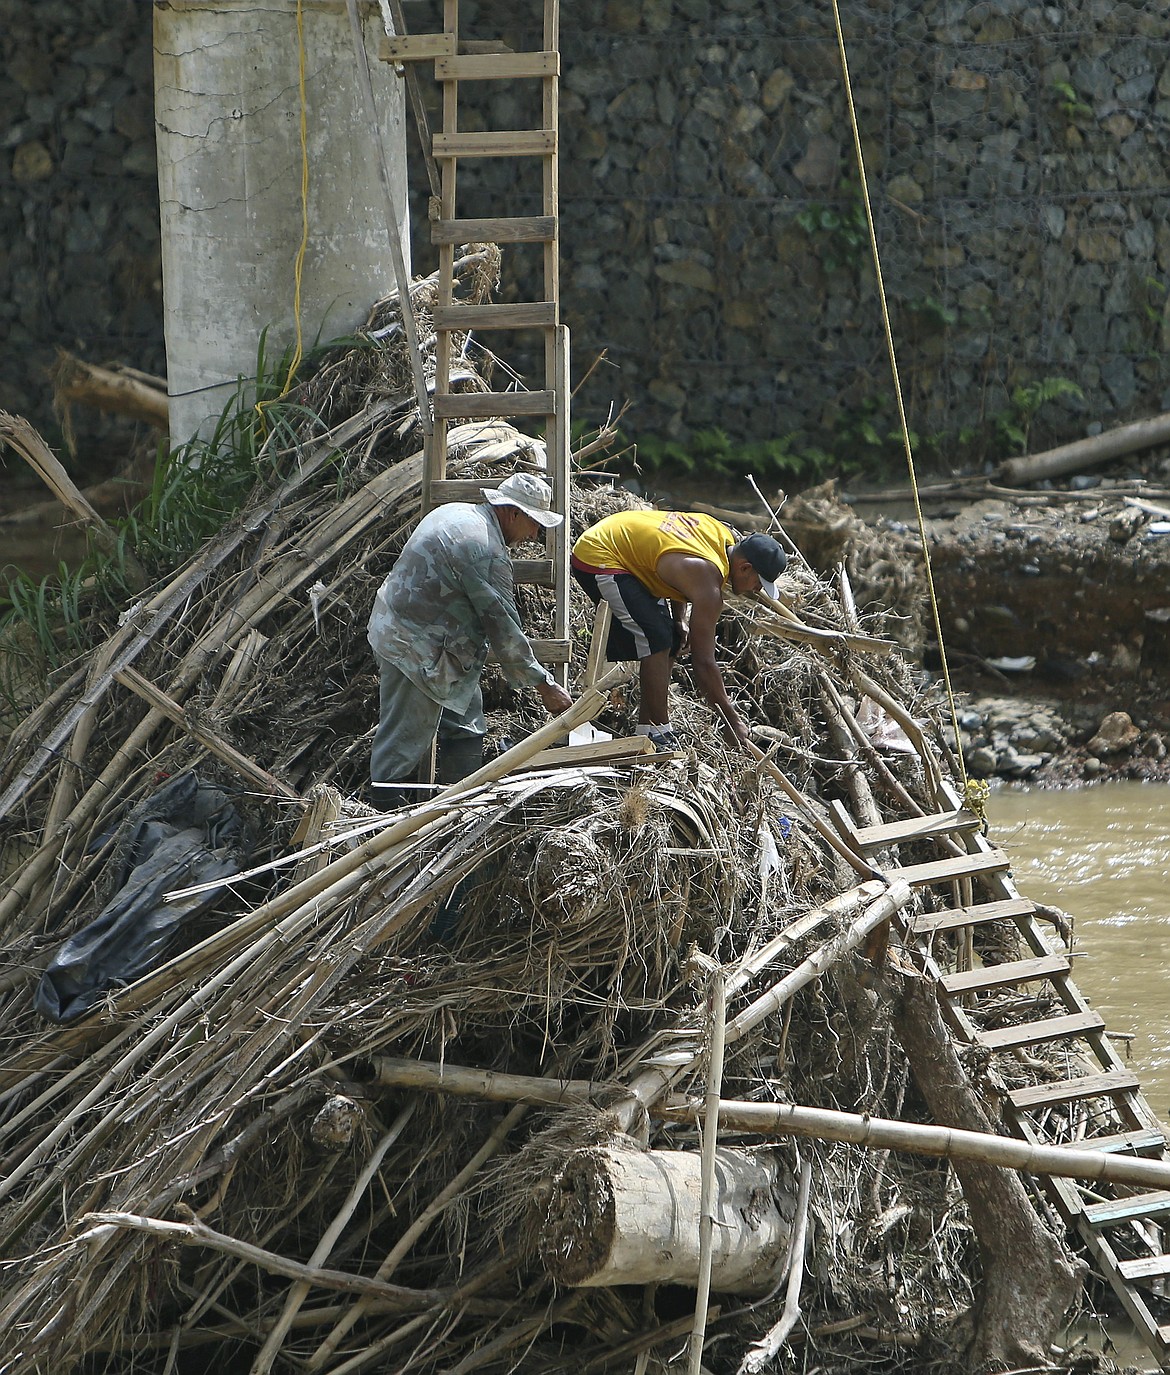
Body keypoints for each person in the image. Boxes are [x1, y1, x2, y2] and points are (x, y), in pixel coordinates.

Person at [366, 471, 573, 809]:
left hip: (423, 639)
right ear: (512, 511)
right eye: (535, 523)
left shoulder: (456, 512)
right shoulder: (485, 550)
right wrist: (544, 684)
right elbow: (504, 627)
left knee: (467, 725)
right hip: (413, 649)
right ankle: (381, 830)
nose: (536, 535)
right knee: (402, 744)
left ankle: (454, 812)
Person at [571, 510, 787, 749]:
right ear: (745, 568)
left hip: (629, 553)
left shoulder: (721, 536)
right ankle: (660, 733)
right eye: (758, 583)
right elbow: (703, 662)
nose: (756, 590)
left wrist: (680, 619)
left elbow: (675, 557)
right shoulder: (708, 584)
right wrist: (730, 720)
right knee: (656, 640)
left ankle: (647, 728)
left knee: (672, 638)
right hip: (599, 555)